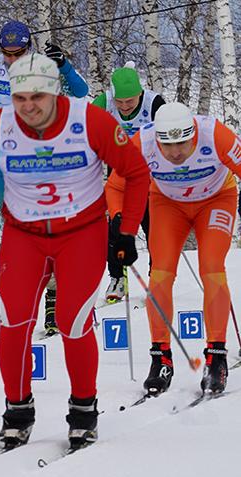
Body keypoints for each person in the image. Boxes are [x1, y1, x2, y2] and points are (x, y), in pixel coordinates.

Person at [0, 53, 150, 450]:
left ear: (55, 93)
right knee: (14, 321)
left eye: (37, 98)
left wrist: (127, 232)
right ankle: (17, 409)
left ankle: (83, 408)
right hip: (23, 235)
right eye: (20, 98)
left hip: (81, 232)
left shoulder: (89, 120)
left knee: (71, 320)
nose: (28, 107)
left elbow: (136, 172)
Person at [0, 21, 90, 334]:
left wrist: (64, 66)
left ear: (30, 47)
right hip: (5, 157)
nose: (13, 59)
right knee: (13, 231)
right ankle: (22, 299)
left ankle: (54, 298)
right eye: (8, 53)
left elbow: (81, 91)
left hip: (41, 156)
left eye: (19, 53)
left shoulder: (43, 67)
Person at [105, 102, 241, 395]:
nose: (176, 152)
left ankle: (216, 357)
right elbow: (115, 186)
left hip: (216, 200)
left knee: (212, 267)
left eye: (183, 143)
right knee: (161, 274)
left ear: (194, 135)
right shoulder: (142, 142)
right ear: (157, 139)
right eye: (167, 145)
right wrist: (118, 220)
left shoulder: (214, 134)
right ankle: (161, 358)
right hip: (168, 205)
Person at [93, 64, 162, 303]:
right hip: (118, 175)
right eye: (120, 101)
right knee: (116, 228)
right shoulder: (104, 102)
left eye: (130, 101)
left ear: (140, 93)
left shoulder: (154, 104)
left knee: (154, 229)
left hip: (150, 175)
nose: (124, 106)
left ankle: (157, 279)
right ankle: (117, 278)